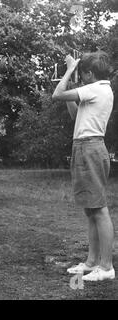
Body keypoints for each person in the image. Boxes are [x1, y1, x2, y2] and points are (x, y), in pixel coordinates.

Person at [52, 51, 115, 281]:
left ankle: (106, 267)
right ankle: (92, 262)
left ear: (90, 73)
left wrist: (69, 69)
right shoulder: (98, 90)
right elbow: (75, 115)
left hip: (90, 148)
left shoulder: (96, 88)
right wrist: (74, 88)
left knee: (98, 209)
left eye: (83, 73)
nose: (82, 77)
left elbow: (57, 94)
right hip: (84, 147)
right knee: (91, 210)